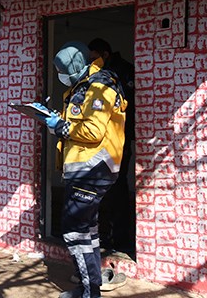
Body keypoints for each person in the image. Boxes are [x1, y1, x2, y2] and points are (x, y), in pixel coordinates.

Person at [33, 41, 128, 298]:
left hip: (93, 169)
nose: (60, 75)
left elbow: (93, 131)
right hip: (86, 169)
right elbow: (78, 125)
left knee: (74, 230)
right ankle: (89, 288)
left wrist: (61, 126)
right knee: (87, 230)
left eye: (63, 70)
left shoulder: (99, 86)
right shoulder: (83, 86)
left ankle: (89, 292)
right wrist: (54, 122)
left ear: (76, 66)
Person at [88, 38, 135, 256]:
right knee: (101, 190)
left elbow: (127, 108)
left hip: (117, 142)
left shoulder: (122, 73)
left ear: (104, 54)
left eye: (94, 57)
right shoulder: (97, 75)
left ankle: (121, 240)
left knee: (116, 190)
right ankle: (105, 236)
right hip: (99, 142)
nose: (92, 62)